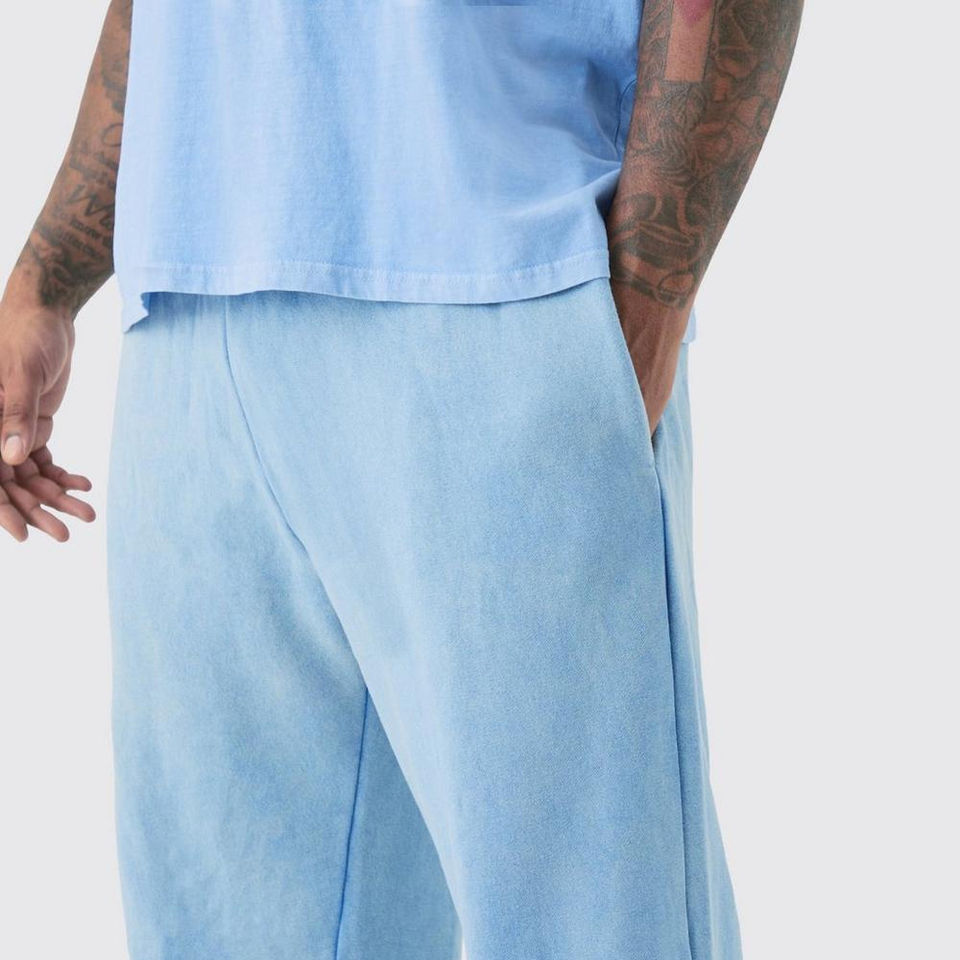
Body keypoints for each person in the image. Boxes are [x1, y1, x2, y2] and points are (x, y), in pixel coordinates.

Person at [0, 2, 802, 958]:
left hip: (493, 280)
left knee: (596, 930)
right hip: (190, 319)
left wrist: (654, 291)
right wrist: (45, 280)